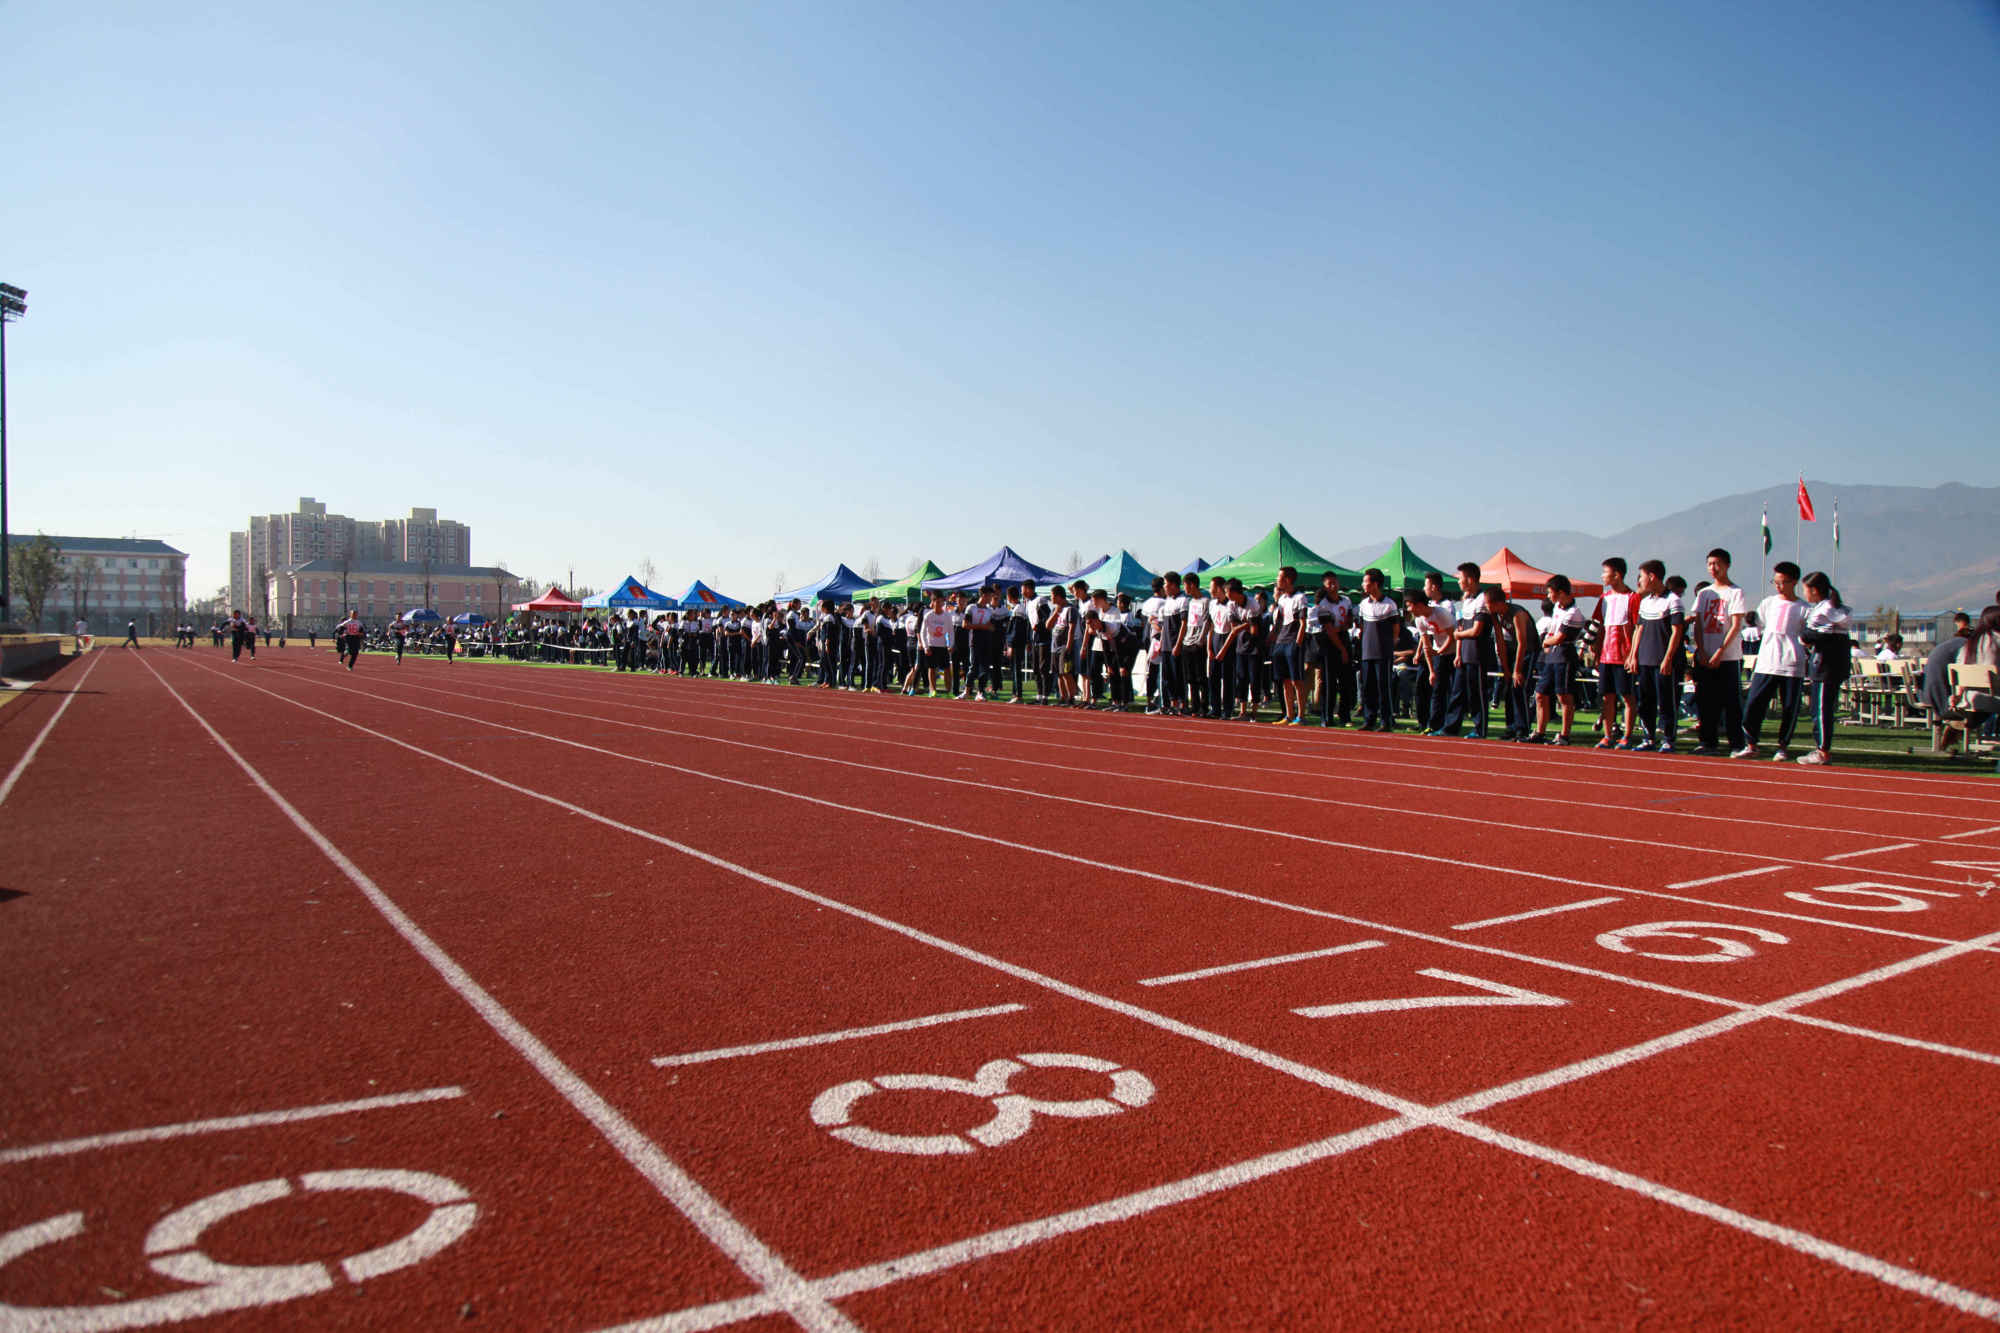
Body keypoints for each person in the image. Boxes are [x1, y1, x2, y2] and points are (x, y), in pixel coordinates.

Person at [1736, 561, 1806, 761]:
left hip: (1792, 665)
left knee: (1789, 707)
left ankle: (1783, 746)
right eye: (1775, 582)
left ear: (1794, 582)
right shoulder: (1768, 603)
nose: (1778, 586)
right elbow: (1761, 624)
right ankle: (1751, 744)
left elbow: (1805, 635)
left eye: (1782, 582)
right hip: (1767, 662)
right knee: (1754, 703)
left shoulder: (1803, 608)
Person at [1688, 548, 1749, 756]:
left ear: (1727, 565)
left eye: (1717, 564)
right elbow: (1697, 624)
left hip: (1728, 657)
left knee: (1731, 702)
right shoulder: (1704, 593)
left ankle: (1736, 744)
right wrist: (1702, 650)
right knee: (1706, 702)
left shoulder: (1735, 592)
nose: (1713, 568)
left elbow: (1736, 625)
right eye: (1710, 564)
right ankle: (1708, 742)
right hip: (1705, 656)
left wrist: (1720, 652)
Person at [1795, 571, 1853, 766]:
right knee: (1824, 707)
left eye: (1805, 589)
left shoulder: (1824, 610)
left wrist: (1804, 637)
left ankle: (1822, 751)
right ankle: (1822, 748)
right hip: (1834, 663)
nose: (1804, 593)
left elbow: (1813, 635)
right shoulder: (1835, 608)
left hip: (1825, 664)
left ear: (1814, 590)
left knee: (1821, 709)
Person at [1630, 559, 1685, 752]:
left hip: (1663, 662)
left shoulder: (1673, 600)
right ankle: (1648, 738)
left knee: (1666, 702)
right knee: (1645, 701)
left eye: (1642, 577)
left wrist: (1668, 658)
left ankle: (1668, 739)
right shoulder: (1645, 602)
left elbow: (1677, 631)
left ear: (1652, 577)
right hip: (1644, 660)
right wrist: (1633, 655)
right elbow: (1639, 630)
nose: (1640, 581)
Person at [1529, 576, 1587, 744]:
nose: (1548, 596)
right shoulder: (1557, 608)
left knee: (1564, 696)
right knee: (1540, 694)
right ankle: (1539, 732)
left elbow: (1560, 637)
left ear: (1560, 592)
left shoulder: (1573, 613)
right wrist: (1547, 642)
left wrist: (1544, 641)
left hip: (1565, 656)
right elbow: (1552, 633)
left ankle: (1564, 735)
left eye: (1550, 592)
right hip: (1551, 656)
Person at [1592, 559, 1640, 749]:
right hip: (1606, 656)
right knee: (1607, 697)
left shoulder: (1632, 598)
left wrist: (1633, 654)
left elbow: (1638, 628)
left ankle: (1627, 735)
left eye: (1605, 572)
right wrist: (1596, 651)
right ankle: (1607, 735)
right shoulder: (1604, 598)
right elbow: (1599, 627)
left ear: (1617, 575)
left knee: (1627, 696)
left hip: (1624, 657)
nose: (1602, 576)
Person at [1353, 568, 1400, 732]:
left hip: (1383, 653)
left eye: (1366, 582)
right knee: (1368, 688)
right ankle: (1369, 720)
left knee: (1383, 687)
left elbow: (1396, 629)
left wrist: (1389, 646)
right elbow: (1361, 626)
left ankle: (1386, 722)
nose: (1363, 585)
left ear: (1375, 584)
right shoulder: (1363, 604)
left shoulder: (1390, 604)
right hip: (1367, 652)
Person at [1313, 571, 1355, 728]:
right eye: (1329, 583)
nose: (1333, 585)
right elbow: (1329, 629)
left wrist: (1343, 627)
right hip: (1329, 644)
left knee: (1346, 682)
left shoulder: (1346, 600)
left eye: (1335, 582)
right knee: (1328, 682)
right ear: (1324, 586)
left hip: (1343, 637)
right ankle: (1327, 716)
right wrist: (1342, 649)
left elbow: (1349, 620)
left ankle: (1345, 715)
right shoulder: (1323, 604)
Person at [1417, 572, 1457, 735]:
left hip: (1446, 652)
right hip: (1433, 651)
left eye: (1425, 585)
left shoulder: (1446, 606)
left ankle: (1438, 723)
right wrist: (1419, 651)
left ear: (1434, 586)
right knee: (1424, 686)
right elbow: (1425, 631)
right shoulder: (1426, 608)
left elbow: (1449, 631)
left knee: (1441, 689)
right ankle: (1425, 721)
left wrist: (1439, 651)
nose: (1423, 588)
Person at [1268, 566, 1308, 725]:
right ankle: (1289, 715)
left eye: (1280, 577)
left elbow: (1303, 623)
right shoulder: (1282, 599)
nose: (1277, 580)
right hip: (1280, 642)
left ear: (1288, 580)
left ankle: (1301, 716)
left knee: (1296, 681)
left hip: (1292, 642)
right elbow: (1279, 621)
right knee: (1284, 680)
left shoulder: (1300, 598)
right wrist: (1272, 637)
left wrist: (1298, 643)